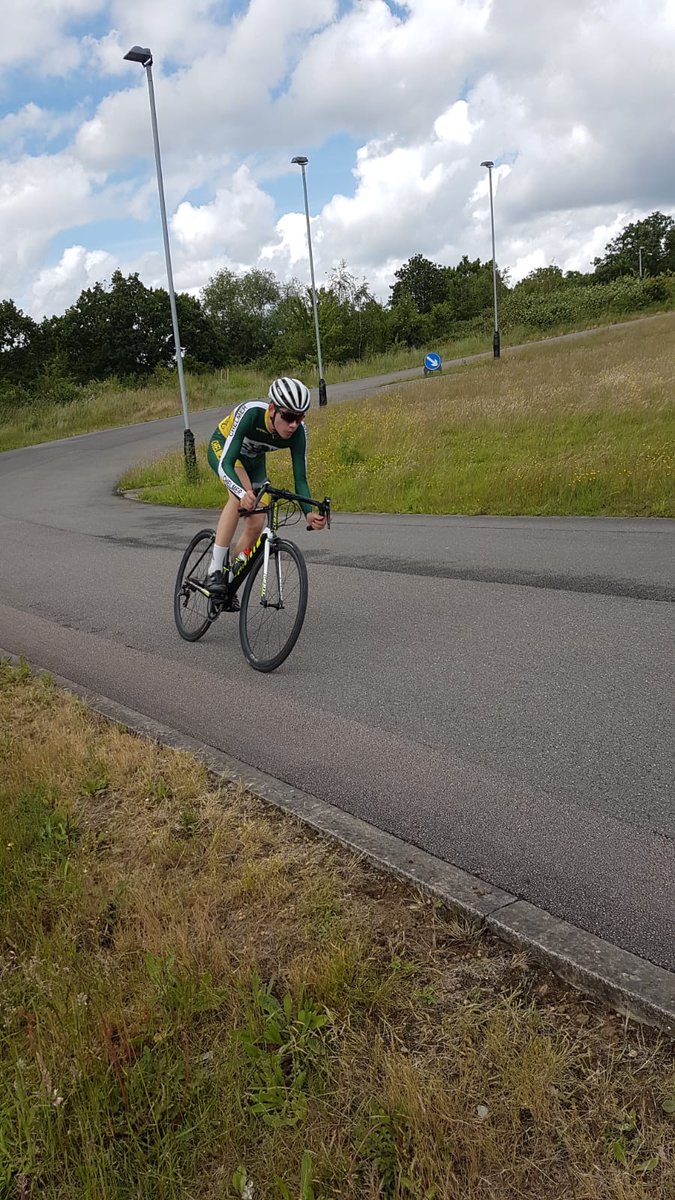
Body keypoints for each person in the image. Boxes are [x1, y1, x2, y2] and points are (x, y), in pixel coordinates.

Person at [204, 376, 326, 600]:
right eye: (289, 416)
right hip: (224, 450)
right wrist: (241, 493)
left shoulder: (298, 433)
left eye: (300, 418)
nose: (293, 424)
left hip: (253, 462)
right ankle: (214, 570)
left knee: (257, 521)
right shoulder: (250, 414)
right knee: (238, 496)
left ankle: (230, 579)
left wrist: (308, 513)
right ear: (272, 409)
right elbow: (227, 463)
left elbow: (300, 479)